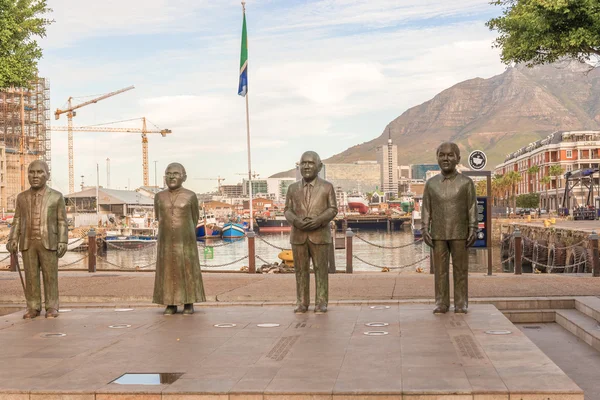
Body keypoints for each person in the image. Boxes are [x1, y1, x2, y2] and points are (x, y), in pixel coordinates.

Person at [7, 160, 68, 319]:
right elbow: (17, 220)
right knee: (31, 275)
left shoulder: (56, 197)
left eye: (39, 172)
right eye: (31, 172)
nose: (35, 176)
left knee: (50, 275)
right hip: (28, 242)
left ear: (47, 175)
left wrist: (63, 241)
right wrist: (12, 238)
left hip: (49, 241)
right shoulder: (21, 197)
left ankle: (52, 306)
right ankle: (33, 306)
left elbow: (61, 221)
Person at [422, 142, 477, 314]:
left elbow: (472, 207)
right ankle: (441, 302)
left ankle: (461, 303)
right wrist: (424, 228)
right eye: (442, 155)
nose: (446, 158)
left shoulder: (466, 183)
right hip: (438, 232)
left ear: (458, 159)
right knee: (440, 271)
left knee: (461, 269)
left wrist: (473, 228)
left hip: (459, 232)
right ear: (437, 158)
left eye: (450, 155)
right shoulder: (431, 184)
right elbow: (426, 208)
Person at [284, 151, 338, 314]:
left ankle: (321, 302)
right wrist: (296, 221)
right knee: (300, 271)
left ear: (319, 166)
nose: (306, 166)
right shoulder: (292, 188)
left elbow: (333, 209)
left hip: (320, 235)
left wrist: (319, 220)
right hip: (298, 235)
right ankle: (302, 302)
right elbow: (287, 209)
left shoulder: (327, 187)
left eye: (311, 163)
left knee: (321, 270)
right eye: (303, 163)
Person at [153, 162, 205, 315]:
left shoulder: (190, 196)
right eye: (168, 173)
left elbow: (195, 218)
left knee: (188, 269)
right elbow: (158, 217)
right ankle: (170, 303)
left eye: (175, 173)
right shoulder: (159, 196)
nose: (171, 176)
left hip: (186, 240)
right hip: (166, 241)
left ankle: (189, 302)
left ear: (184, 177)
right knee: (167, 270)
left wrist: (186, 231)